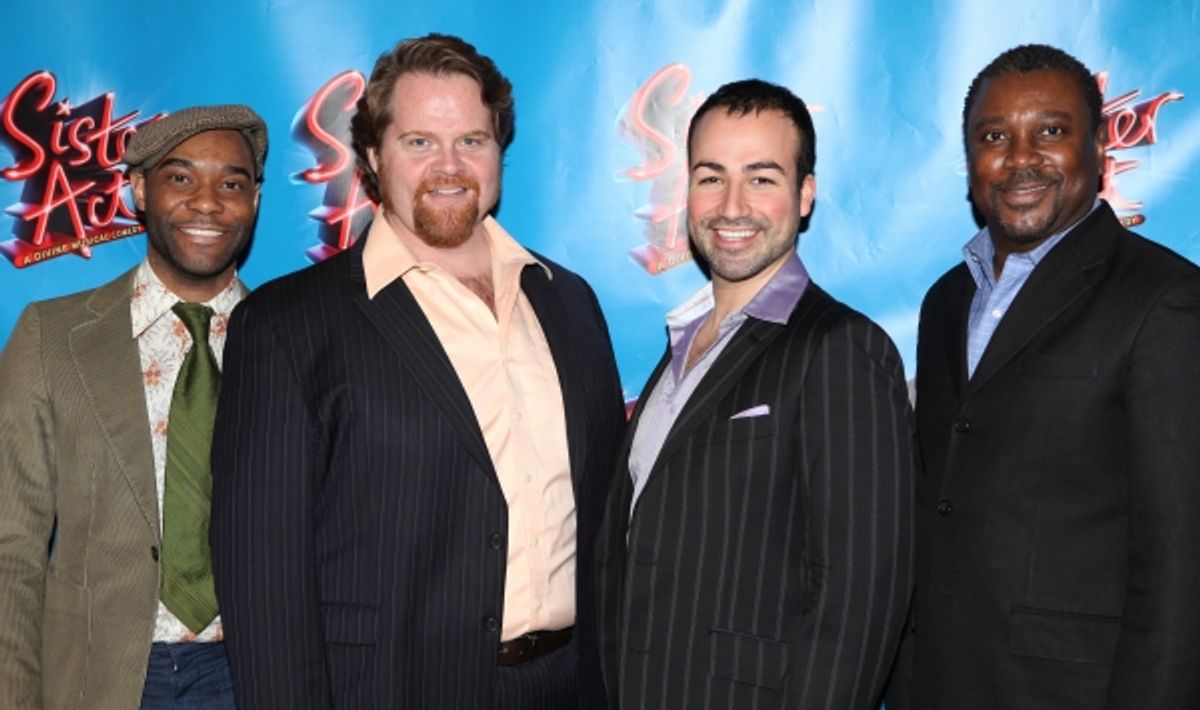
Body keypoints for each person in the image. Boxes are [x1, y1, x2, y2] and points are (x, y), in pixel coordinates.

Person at [209, 33, 625, 709]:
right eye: (420, 141)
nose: (449, 165)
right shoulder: (288, 327)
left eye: (472, 140)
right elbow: (264, 586)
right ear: (373, 156)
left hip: (570, 687)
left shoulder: (569, 302)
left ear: (498, 153)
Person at [595, 79, 914, 709]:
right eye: (711, 177)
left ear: (805, 195)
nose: (731, 204)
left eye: (762, 178)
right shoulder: (681, 343)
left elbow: (862, 596)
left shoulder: (842, 347)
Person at [911, 43, 1200, 708]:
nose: (1019, 159)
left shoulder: (1164, 300)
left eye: (1050, 131)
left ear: (1099, 147)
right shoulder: (945, 302)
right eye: (993, 137)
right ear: (969, 162)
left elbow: (1180, 560)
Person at [0, 104, 267, 708]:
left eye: (232, 183)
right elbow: (10, 549)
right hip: (97, 676)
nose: (207, 203)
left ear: (254, 200)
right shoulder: (52, 336)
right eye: (181, 178)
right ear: (140, 189)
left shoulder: (294, 342)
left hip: (250, 675)